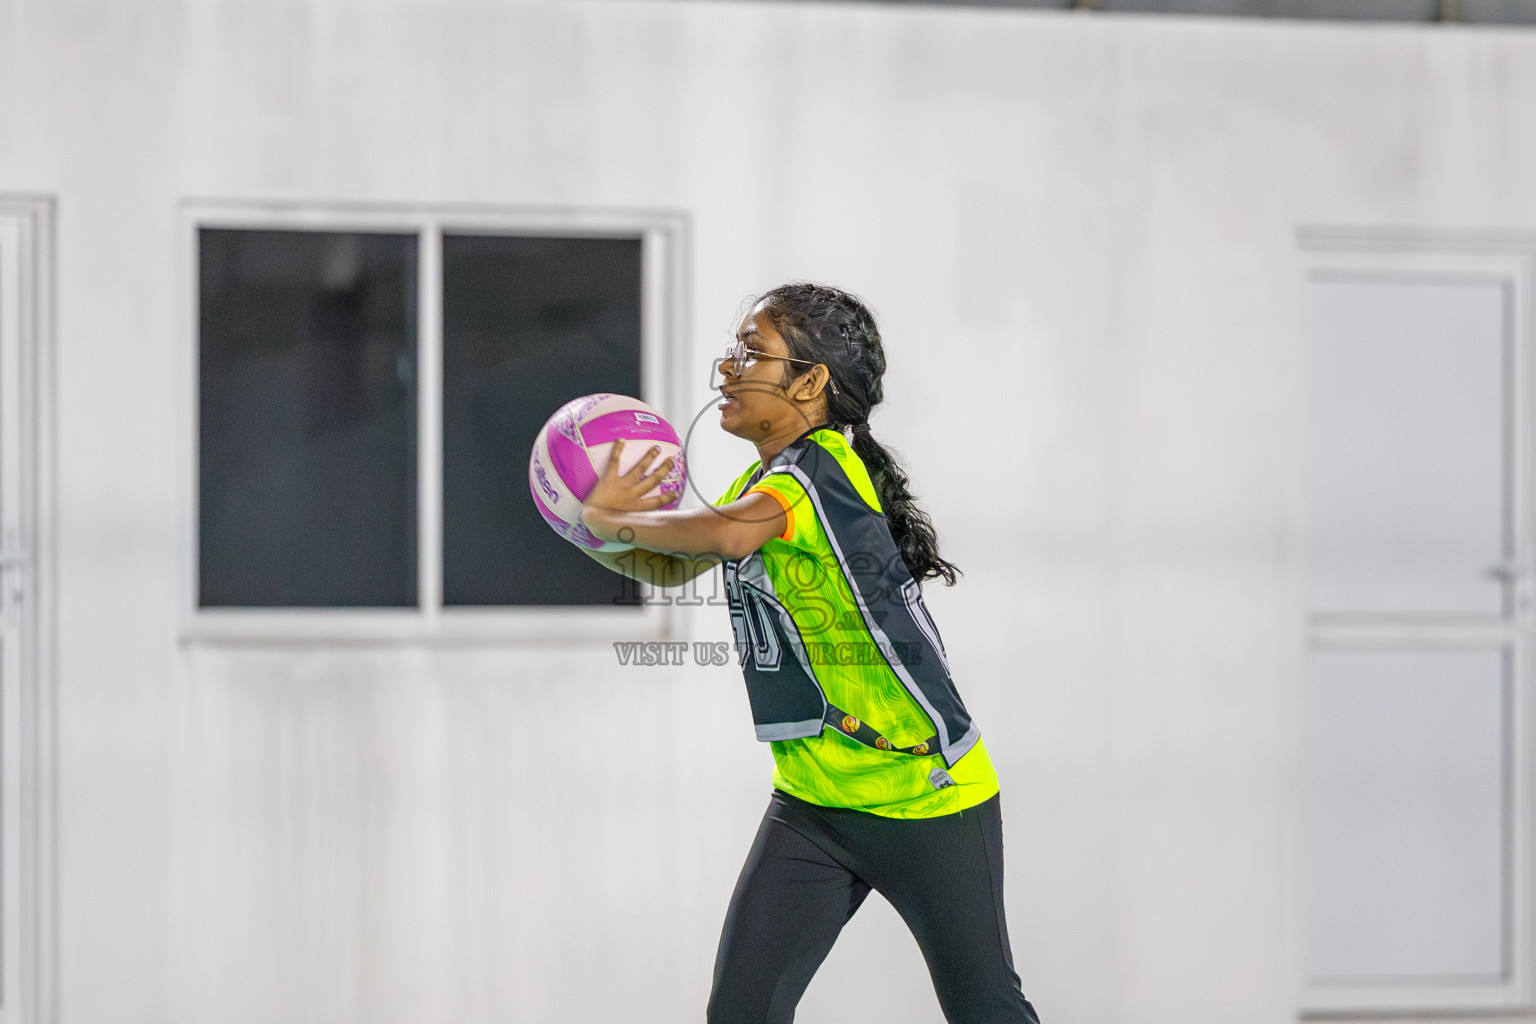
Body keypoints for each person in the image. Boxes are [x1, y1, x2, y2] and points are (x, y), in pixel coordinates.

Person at [578, 283, 1041, 1024]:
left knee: (985, 1008)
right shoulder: (764, 480)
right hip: (815, 805)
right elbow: (670, 567)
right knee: (741, 1012)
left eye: (752, 352)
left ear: (809, 382)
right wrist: (592, 525)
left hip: (926, 794)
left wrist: (614, 519)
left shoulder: (818, 472)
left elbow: (724, 534)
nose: (728, 368)